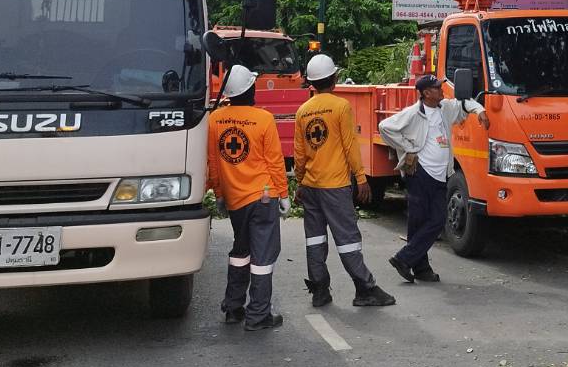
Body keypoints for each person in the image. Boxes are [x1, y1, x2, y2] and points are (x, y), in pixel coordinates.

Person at [293, 54, 395, 309]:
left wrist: (300, 184)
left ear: (313, 83)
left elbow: (300, 154)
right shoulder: (341, 107)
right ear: (334, 79)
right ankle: (365, 288)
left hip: (312, 187)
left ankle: (319, 290)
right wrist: (361, 178)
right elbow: (350, 146)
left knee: (315, 240)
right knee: (348, 239)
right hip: (335, 186)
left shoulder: (303, 111)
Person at [378, 76, 487, 283]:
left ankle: (408, 260)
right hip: (420, 174)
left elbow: (464, 103)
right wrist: (408, 147)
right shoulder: (413, 113)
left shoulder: (445, 109)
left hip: (440, 175)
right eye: (437, 88)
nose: (441, 90)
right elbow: (385, 127)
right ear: (426, 93)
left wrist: (479, 110)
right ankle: (418, 267)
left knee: (436, 221)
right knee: (420, 222)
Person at [207, 64, 288, 331]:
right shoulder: (263, 119)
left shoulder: (215, 120)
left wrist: (219, 193)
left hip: (235, 200)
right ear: (250, 89)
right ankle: (258, 315)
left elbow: (213, 162)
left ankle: (233, 307)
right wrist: (284, 194)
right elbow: (275, 162)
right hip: (264, 196)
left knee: (240, 252)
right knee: (263, 257)